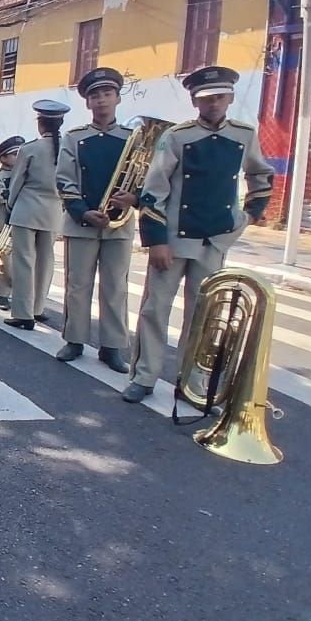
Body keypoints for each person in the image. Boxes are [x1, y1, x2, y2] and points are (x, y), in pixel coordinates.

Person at [123, 65, 274, 403]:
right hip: (174, 237)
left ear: (230, 97)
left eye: (220, 97)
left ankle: (191, 380)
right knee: (155, 309)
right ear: (195, 100)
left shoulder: (244, 135)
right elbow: (154, 190)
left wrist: (248, 215)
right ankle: (145, 375)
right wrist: (157, 239)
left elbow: (261, 175)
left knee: (204, 315)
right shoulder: (177, 136)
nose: (214, 103)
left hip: (215, 237)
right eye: (206, 98)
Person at [55, 68, 138, 370]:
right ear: (87, 103)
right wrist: (82, 210)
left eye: (107, 94)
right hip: (83, 221)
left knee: (115, 285)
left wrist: (133, 198)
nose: (101, 100)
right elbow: (64, 179)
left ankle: (112, 345)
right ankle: (74, 339)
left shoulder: (132, 139)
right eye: (95, 96)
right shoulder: (75, 138)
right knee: (78, 284)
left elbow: (144, 179)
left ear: (117, 98)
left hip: (119, 223)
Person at [4, 99, 69, 330]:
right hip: (53, 211)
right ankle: (38, 308)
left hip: (27, 208)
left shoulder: (30, 149)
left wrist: (10, 205)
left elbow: (17, 181)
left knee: (24, 262)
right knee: (46, 261)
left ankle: (23, 312)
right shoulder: (69, 148)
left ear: (40, 124)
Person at [0, 135, 25, 311]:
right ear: (3, 158)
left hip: (21, 222)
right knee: (6, 264)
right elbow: (0, 196)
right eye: (14, 154)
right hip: (2, 223)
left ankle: (8, 296)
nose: (18, 158)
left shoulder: (24, 173)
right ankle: (3, 295)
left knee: (20, 261)